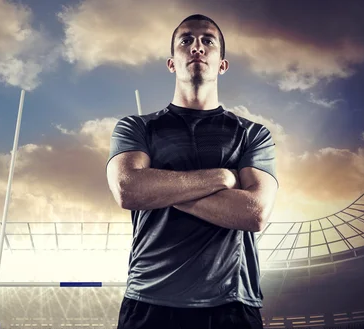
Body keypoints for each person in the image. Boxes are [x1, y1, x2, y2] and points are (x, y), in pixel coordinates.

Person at [106, 14, 279, 329]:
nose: (197, 47)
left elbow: (253, 214)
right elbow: (129, 190)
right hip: (149, 298)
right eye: (186, 40)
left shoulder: (252, 134)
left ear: (222, 64)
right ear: (172, 62)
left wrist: (160, 187)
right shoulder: (136, 127)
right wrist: (222, 178)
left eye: (207, 41)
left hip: (232, 303)